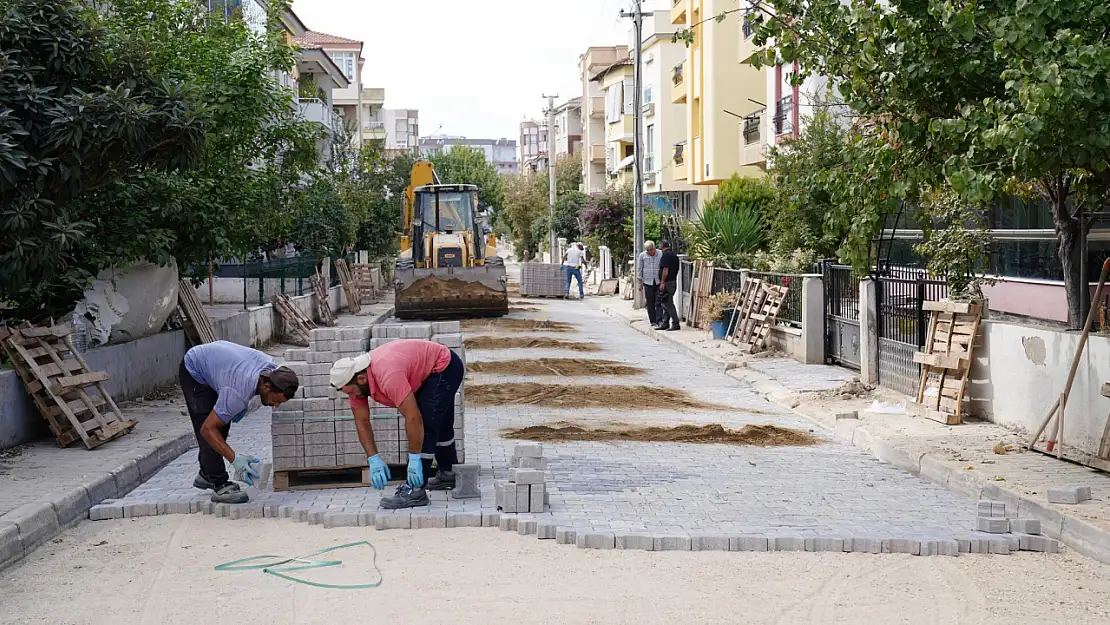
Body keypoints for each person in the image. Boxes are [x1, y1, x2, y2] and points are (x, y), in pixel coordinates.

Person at [330, 338, 465, 509]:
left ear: (362, 379)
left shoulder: (388, 375)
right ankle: (449, 473)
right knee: (440, 422)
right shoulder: (357, 383)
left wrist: (415, 459)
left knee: (428, 423)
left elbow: (413, 418)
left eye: (351, 392)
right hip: (429, 368)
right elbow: (361, 421)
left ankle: (415, 490)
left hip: (444, 367)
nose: (353, 397)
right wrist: (373, 458)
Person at [180, 341, 299, 504]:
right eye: (276, 400)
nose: (276, 405)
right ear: (266, 387)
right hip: (195, 369)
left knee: (222, 422)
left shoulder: (271, 370)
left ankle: (206, 473)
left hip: (219, 365)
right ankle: (220, 485)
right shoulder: (237, 394)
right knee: (211, 429)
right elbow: (207, 429)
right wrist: (236, 460)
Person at [656, 240, 681, 331]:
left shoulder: (666, 256)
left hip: (667, 282)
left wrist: (662, 282)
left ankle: (675, 323)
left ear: (662, 246)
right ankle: (665, 322)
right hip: (672, 281)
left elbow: (665, 270)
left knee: (667, 303)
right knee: (665, 301)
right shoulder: (674, 255)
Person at [636, 240, 662, 326]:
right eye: (648, 250)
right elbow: (639, 269)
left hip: (658, 281)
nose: (650, 251)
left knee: (659, 301)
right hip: (648, 282)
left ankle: (659, 320)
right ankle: (653, 321)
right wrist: (640, 283)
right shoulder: (642, 256)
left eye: (651, 249)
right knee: (650, 302)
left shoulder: (660, 253)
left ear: (654, 247)